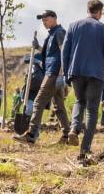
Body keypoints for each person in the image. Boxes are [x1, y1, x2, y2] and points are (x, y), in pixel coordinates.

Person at [62, 0, 104, 162]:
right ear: (100, 12)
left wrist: (66, 73)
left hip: (76, 71)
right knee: (92, 110)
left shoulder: (73, 26)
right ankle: (84, 150)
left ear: (88, 10)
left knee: (80, 101)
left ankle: (74, 129)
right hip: (96, 74)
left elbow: (65, 51)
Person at [17, 10, 70, 144]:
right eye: (42, 20)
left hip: (54, 73)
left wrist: (61, 75)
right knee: (58, 106)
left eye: (46, 19)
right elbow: (48, 55)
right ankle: (67, 136)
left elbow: (64, 53)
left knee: (38, 102)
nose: (44, 22)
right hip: (51, 72)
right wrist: (38, 47)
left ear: (54, 18)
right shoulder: (51, 35)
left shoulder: (59, 33)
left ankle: (31, 134)